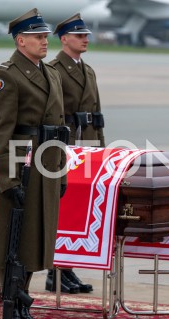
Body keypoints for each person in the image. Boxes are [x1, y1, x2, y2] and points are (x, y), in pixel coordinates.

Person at [0, 8, 67, 318]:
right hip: (21, 168)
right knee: (13, 240)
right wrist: (9, 180)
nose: (45, 41)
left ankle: (24, 295)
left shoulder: (52, 74)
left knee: (35, 239)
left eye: (45, 36)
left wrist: (62, 172)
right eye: (38, 37)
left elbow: (59, 129)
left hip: (47, 165)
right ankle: (11, 298)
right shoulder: (6, 75)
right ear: (21, 41)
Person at [45, 12, 104, 295]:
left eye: (86, 36)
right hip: (65, 145)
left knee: (77, 209)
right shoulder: (54, 69)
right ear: (64, 39)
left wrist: (101, 149)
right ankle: (55, 270)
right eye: (79, 36)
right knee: (62, 208)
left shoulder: (88, 70)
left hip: (87, 145)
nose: (85, 40)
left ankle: (67, 268)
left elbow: (97, 114)